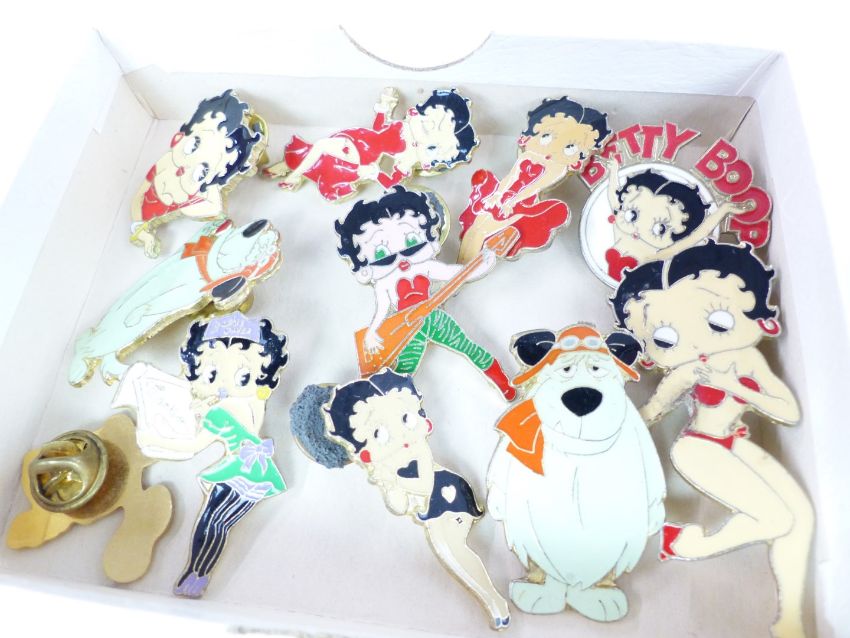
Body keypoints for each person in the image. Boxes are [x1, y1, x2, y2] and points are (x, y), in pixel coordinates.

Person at [610, 241, 814, 638]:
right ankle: (686, 545)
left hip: (734, 443)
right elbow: (654, 410)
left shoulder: (748, 359)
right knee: (778, 518)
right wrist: (614, 437)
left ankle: (790, 618)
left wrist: (736, 387)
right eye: (665, 337)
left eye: (718, 321)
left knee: (801, 518)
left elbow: (789, 411)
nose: (697, 341)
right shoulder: (689, 372)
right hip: (697, 447)